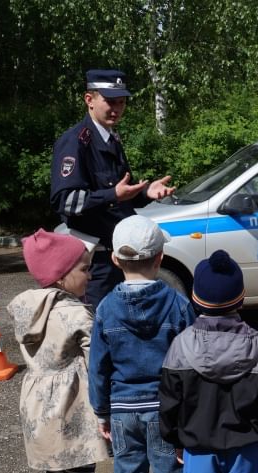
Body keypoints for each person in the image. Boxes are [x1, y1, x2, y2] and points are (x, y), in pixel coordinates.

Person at [159, 250, 258, 473]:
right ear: (241, 298)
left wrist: (174, 438)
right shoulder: (256, 346)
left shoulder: (181, 345)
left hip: (198, 446)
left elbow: (169, 401)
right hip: (245, 447)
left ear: (195, 297)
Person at [88, 215, 194, 473]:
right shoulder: (178, 304)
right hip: (165, 411)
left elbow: (98, 366)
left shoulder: (106, 307)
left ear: (114, 260)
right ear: (160, 257)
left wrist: (101, 410)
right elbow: (189, 365)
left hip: (122, 410)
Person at [7, 229, 110, 473]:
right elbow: (99, 363)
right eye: (84, 268)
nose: (90, 276)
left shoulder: (27, 309)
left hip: (36, 404)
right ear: (62, 276)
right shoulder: (76, 314)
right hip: (71, 405)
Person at [50, 69, 175, 307]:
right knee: (98, 331)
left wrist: (145, 192)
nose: (116, 109)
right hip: (94, 263)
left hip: (118, 257)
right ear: (90, 100)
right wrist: (112, 195)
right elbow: (64, 200)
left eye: (121, 102)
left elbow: (122, 193)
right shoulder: (75, 142)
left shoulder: (111, 138)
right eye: (110, 102)